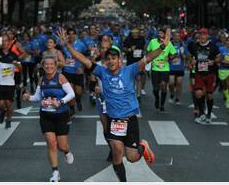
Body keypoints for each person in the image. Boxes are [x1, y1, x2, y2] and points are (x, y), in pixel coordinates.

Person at [57, 27, 172, 182]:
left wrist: (163, 46)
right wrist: (68, 46)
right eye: (108, 59)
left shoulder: (130, 70)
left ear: (120, 60)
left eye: (114, 59)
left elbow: (148, 58)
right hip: (113, 120)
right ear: (105, 62)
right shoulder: (102, 72)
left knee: (132, 158)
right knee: (117, 153)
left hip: (130, 120)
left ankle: (143, 146)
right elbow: (84, 60)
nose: (111, 61)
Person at [23, 55, 75, 182]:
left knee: (62, 146)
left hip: (61, 115)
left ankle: (67, 152)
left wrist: (61, 101)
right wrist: (28, 97)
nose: (49, 66)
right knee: (52, 144)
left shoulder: (60, 77)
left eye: (51, 64)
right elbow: (37, 98)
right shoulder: (42, 80)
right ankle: (55, 172)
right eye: (46, 64)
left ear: (55, 65)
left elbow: (71, 94)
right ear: (43, 66)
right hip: (46, 116)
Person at [188, 28, 221, 123]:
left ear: (207, 36)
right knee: (198, 93)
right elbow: (190, 56)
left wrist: (214, 61)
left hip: (210, 74)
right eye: (201, 35)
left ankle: (209, 114)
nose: (202, 37)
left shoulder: (213, 46)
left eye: (204, 35)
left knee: (209, 95)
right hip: (199, 73)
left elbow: (219, 57)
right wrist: (191, 61)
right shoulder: (194, 46)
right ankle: (202, 113)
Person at [0, 35, 22, 129]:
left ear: (9, 43)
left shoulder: (14, 55)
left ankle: (9, 119)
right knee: (0, 104)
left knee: (9, 104)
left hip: (9, 83)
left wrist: (16, 64)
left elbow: (20, 67)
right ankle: (2, 111)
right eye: (3, 41)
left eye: (6, 41)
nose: (4, 43)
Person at [147, 28, 177, 112]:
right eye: (159, 33)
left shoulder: (168, 43)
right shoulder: (153, 42)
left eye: (161, 33)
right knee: (156, 89)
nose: (160, 35)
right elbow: (148, 51)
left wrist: (170, 57)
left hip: (165, 68)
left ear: (165, 35)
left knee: (163, 85)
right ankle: (157, 98)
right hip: (155, 68)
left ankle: (162, 105)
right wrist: (150, 59)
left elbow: (174, 54)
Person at [61, 28, 87, 115]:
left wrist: (82, 66)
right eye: (69, 34)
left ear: (75, 35)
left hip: (78, 72)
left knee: (78, 92)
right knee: (70, 92)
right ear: (67, 35)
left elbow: (86, 56)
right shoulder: (64, 44)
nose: (71, 36)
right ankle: (72, 109)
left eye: (73, 34)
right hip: (67, 71)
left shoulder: (81, 45)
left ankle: (78, 100)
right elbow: (59, 54)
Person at [123, 28, 146, 103]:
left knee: (138, 78)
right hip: (130, 61)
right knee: (131, 80)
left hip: (139, 61)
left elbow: (144, 48)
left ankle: (138, 96)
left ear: (138, 33)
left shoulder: (142, 39)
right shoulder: (127, 40)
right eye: (133, 33)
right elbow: (124, 49)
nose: (134, 34)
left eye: (136, 33)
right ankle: (131, 94)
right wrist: (129, 49)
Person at [168, 30, 188, 105]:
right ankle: (172, 93)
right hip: (171, 67)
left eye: (178, 36)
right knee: (171, 83)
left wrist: (184, 55)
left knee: (179, 83)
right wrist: (172, 57)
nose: (177, 37)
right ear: (172, 37)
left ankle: (177, 98)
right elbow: (166, 56)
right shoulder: (170, 45)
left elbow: (187, 56)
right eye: (175, 36)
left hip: (180, 67)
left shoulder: (183, 45)